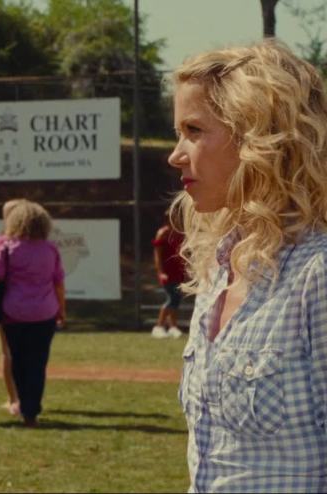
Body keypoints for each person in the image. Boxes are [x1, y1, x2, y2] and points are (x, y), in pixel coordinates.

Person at [171, 40, 327, 492]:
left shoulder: (317, 273)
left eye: (193, 130)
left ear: (259, 136)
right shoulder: (217, 268)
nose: (176, 154)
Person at [0, 201, 64, 427]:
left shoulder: (8, 247)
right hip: (44, 313)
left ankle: (22, 403)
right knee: (37, 363)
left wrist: (1, 291)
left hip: (14, 313)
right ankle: (32, 409)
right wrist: (61, 309)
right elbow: (58, 283)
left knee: (18, 361)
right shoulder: (50, 249)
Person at [0, 198, 26, 416]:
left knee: (6, 351)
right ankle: (24, 397)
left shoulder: (1, 242)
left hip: (5, 302)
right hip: (29, 304)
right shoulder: (34, 243)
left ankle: (13, 398)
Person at [150, 209, 186, 339]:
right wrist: (160, 272)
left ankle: (173, 327)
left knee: (176, 299)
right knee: (171, 298)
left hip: (177, 271)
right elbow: (157, 255)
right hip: (167, 272)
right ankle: (158, 327)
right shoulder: (163, 233)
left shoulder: (179, 233)